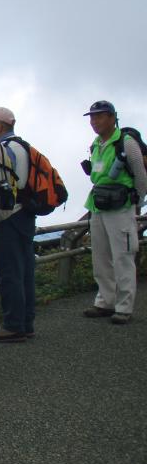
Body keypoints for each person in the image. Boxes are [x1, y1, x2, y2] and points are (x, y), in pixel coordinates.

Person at [80, 100, 147, 324]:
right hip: (98, 204)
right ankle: (105, 301)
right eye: (92, 118)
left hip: (121, 206)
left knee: (123, 257)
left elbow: (140, 174)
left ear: (111, 117)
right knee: (100, 257)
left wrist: (136, 202)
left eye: (98, 117)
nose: (94, 122)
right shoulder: (96, 144)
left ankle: (124, 307)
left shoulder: (126, 143)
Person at [0, 107, 35, 342]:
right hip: (24, 215)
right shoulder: (22, 146)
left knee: (10, 273)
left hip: (10, 216)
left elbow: (11, 183)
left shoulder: (7, 149)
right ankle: (25, 322)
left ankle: (13, 325)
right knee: (25, 272)